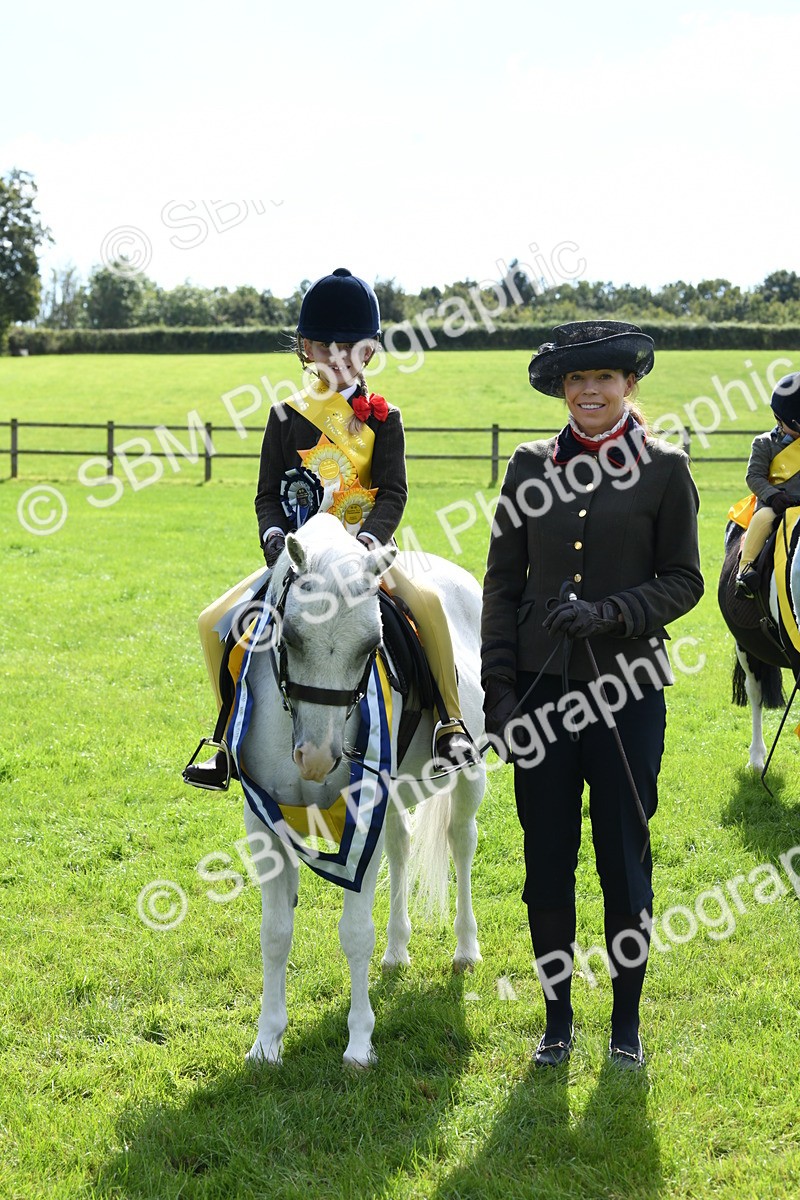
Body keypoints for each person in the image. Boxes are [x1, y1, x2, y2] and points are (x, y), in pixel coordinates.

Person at [480, 320, 704, 1070]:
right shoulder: (528, 465)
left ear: (630, 384)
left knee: (623, 858)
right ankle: (555, 1021)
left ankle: (626, 1025)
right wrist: (499, 693)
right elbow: (502, 583)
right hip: (541, 698)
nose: (589, 393)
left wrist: (612, 613)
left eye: (603, 379)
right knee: (547, 860)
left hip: (628, 693)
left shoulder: (666, 468)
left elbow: (684, 580)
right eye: (576, 382)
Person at [183, 267, 477, 790]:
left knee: (429, 604)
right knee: (212, 622)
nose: (337, 357)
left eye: (350, 347)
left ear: (370, 352)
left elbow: (394, 492)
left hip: (367, 555)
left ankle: (450, 724)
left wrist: (369, 543)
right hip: (298, 559)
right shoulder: (283, 416)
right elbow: (266, 496)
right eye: (324, 346)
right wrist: (274, 539)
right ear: (305, 349)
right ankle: (224, 740)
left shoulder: (384, 419)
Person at [734, 372, 800, 597]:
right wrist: (772, 496)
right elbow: (754, 477)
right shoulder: (764, 444)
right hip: (776, 504)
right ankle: (746, 568)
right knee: (762, 518)